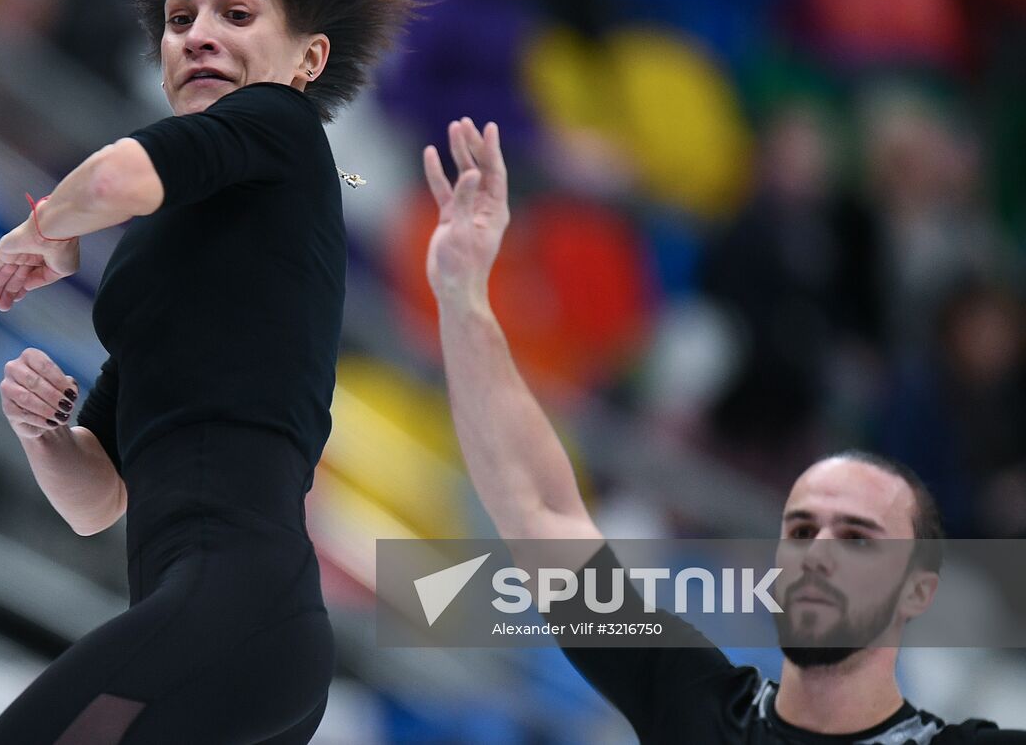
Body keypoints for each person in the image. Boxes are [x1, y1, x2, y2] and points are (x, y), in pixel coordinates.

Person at [0, 0, 421, 745]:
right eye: (180, 19)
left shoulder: (283, 126)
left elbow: (114, 178)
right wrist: (45, 435)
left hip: (234, 607)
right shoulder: (177, 246)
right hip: (239, 632)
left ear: (308, 59)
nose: (200, 35)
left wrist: (41, 229)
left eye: (235, 12)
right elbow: (98, 498)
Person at [422, 116, 1026, 743]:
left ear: (917, 591)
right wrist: (463, 295)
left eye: (858, 538)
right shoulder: (696, 707)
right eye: (801, 529)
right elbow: (541, 512)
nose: (818, 554)